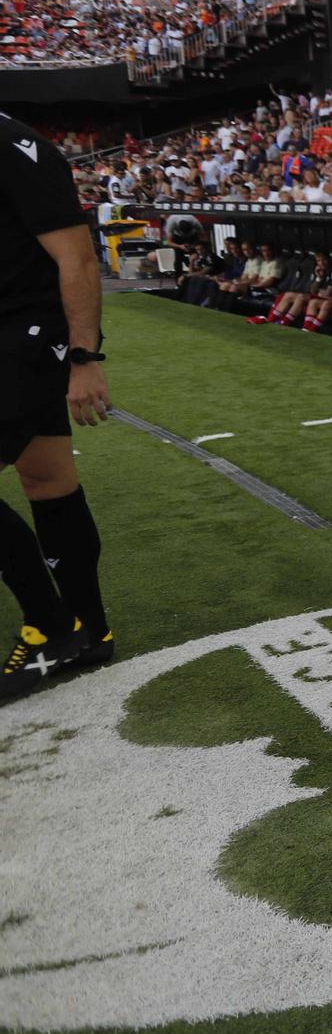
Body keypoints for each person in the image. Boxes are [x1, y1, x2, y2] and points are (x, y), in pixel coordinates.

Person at [0, 111, 112, 697]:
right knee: (47, 481)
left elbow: (78, 258)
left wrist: (85, 357)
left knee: (47, 482)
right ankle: (90, 630)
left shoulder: (16, 146)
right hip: (9, 337)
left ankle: (50, 627)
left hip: (29, 337)